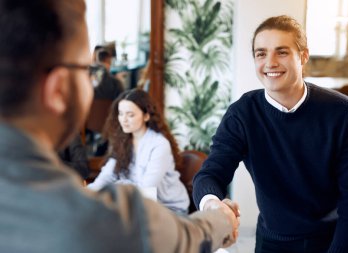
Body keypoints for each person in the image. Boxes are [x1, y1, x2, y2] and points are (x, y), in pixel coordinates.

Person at [0, 1, 239, 252]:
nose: (93, 83)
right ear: (58, 89)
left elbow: (147, 187)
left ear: (146, 116)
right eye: (87, 70)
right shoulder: (106, 219)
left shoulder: (157, 146)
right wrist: (222, 217)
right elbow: (193, 235)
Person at [193, 15, 348, 253]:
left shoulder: (343, 113)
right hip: (271, 240)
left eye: (282, 52)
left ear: (303, 56)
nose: (270, 62)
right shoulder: (243, 113)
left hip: (332, 240)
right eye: (261, 53)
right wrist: (214, 206)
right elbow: (210, 175)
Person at [88, 89, 190, 214]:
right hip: (139, 206)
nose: (123, 120)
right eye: (120, 113)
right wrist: (86, 194)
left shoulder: (159, 144)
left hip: (168, 209)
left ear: (146, 116)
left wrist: (116, 190)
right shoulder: (123, 141)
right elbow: (106, 176)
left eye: (130, 115)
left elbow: (147, 190)